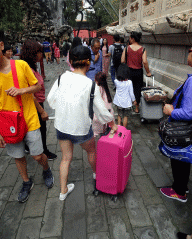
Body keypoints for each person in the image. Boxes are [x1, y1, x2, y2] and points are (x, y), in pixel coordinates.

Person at [47, 45, 118, 201]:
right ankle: (96, 174)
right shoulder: (90, 84)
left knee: (66, 158)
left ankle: (63, 191)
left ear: (71, 61)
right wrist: (113, 125)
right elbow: (102, 111)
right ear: (88, 63)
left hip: (62, 126)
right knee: (91, 152)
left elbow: (51, 100)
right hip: (81, 129)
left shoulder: (61, 78)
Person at [0, 33, 54, 203]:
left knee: (37, 156)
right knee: (18, 156)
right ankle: (26, 181)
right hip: (8, 124)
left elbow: (37, 86)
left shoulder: (21, 66)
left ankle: (46, 169)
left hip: (29, 118)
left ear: (1, 45)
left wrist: (22, 90)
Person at [159, 47, 192, 203]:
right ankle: (182, 186)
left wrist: (170, 111)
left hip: (183, 129)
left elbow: (189, 112)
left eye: (191, 50)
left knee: (178, 157)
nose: (188, 53)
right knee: (184, 158)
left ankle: (179, 191)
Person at [20, 39, 57, 161]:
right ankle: (44, 152)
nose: (41, 54)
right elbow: (31, 94)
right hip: (35, 104)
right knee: (41, 129)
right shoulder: (28, 70)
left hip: (37, 103)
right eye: (39, 52)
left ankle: (28, 147)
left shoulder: (31, 67)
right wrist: (41, 111)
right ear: (32, 53)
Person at [121, 31, 151, 113]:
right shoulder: (143, 49)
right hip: (138, 72)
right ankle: (136, 107)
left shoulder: (127, 48)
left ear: (133, 38)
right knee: (137, 89)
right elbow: (145, 61)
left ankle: (127, 105)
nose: (129, 39)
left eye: (130, 38)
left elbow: (122, 60)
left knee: (128, 88)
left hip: (129, 71)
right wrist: (148, 72)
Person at [113, 63, 136, 128]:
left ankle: (119, 128)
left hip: (118, 101)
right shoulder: (129, 82)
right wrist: (134, 100)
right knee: (125, 116)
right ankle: (124, 129)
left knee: (119, 115)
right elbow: (131, 93)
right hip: (127, 102)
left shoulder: (116, 81)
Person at [92, 71, 114, 139]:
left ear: (96, 80)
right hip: (108, 115)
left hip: (99, 116)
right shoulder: (105, 88)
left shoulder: (96, 89)